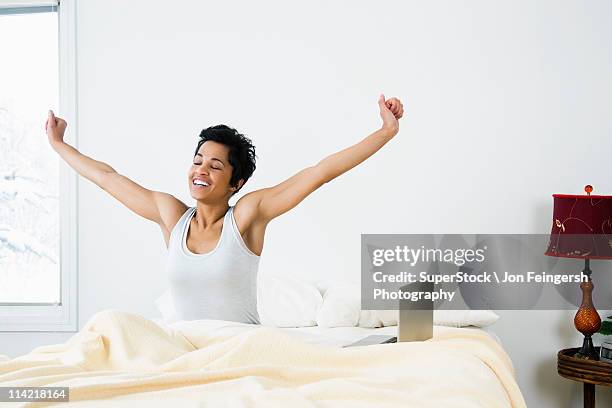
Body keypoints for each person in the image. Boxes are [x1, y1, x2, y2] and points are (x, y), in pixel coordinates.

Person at [45, 94, 405, 324]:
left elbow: (319, 173)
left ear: (236, 183)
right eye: (198, 160)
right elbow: (108, 178)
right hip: (187, 350)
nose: (201, 170)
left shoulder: (247, 215)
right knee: (112, 327)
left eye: (215, 166)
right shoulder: (171, 216)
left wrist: (385, 132)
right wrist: (59, 144)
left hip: (237, 350)